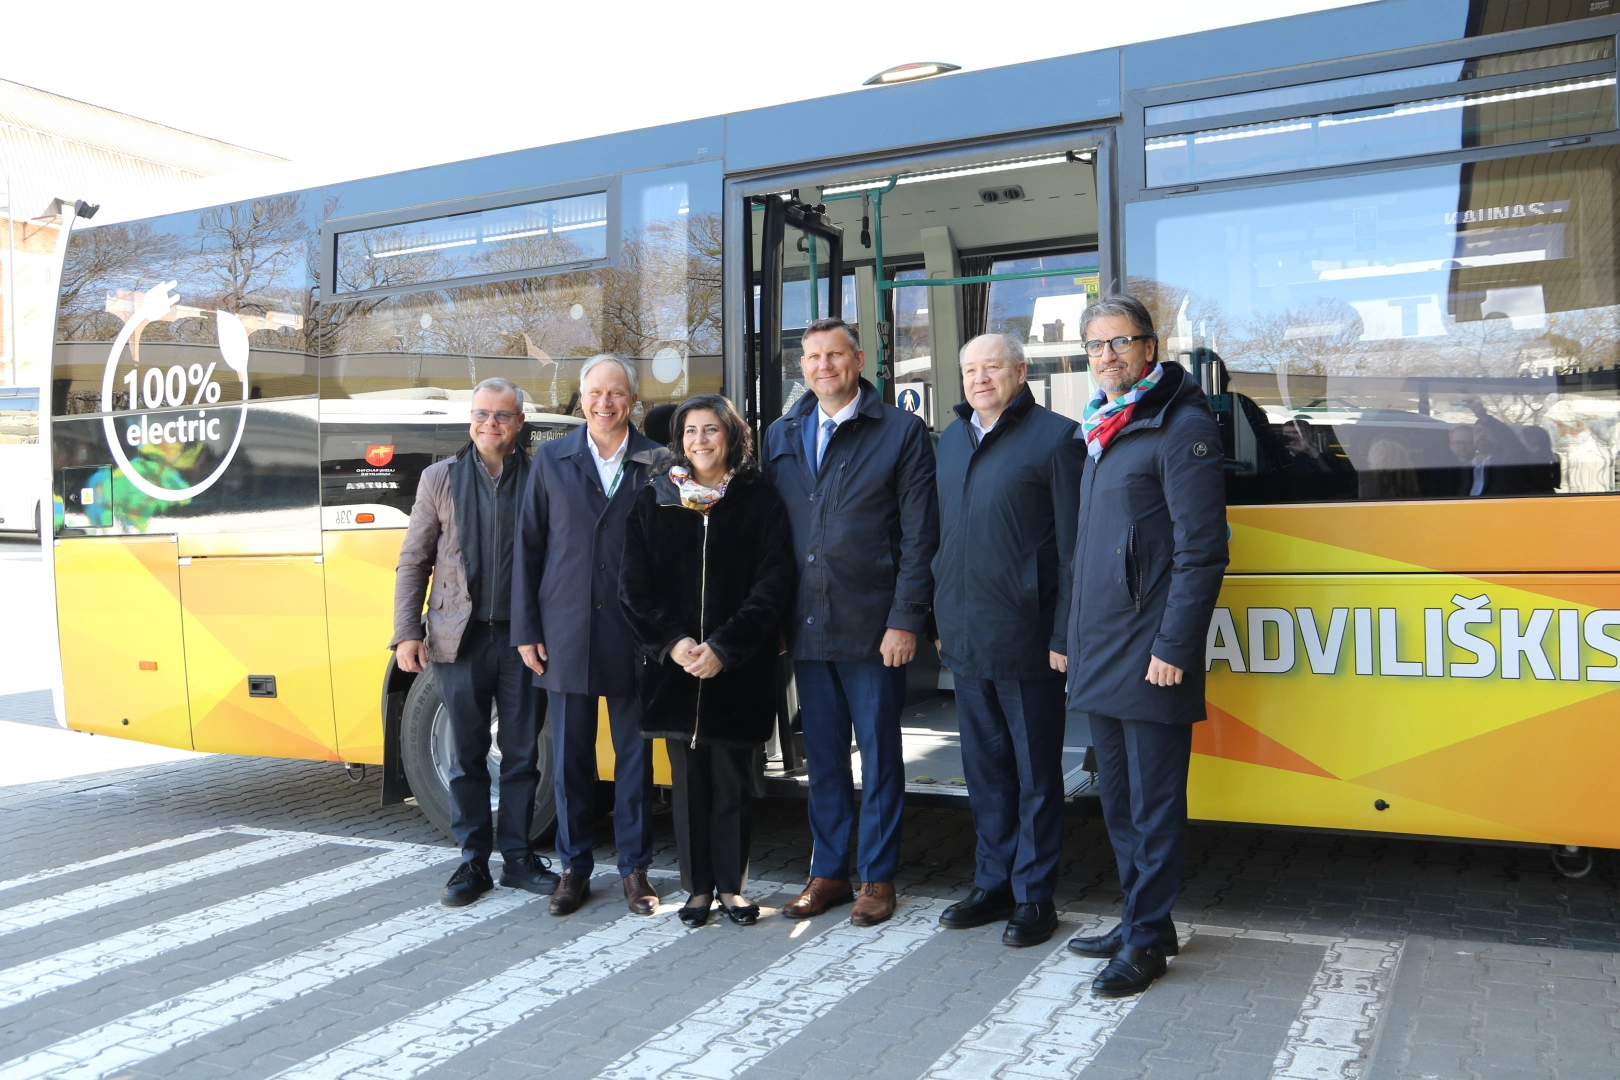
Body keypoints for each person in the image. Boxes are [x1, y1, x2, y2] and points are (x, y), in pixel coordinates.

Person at [1064, 296, 1228, 997]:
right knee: (1119, 801)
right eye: (1095, 345)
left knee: (1154, 805)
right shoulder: (1106, 428)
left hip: (1151, 653)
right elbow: (1092, 553)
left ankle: (1148, 939)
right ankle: (1140, 920)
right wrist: (1068, 640)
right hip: (1101, 647)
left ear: (1149, 348)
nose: (1107, 356)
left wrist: (1174, 646)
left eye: (1120, 342)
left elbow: (1204, 552)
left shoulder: (1179, 427)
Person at [764, 316, 939, 928]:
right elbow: (772, 537)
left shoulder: (900, 432)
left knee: (881, 757)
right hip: (806, 624)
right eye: (813, 357)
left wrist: (905, 618)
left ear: (858, 361)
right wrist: (773, 617)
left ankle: (878, 877)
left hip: (873, 627)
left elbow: (920, 536)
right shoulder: (783, 432)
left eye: (834, 355)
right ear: (802, 367)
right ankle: (829, 873)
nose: (824, 366)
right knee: (824, 758)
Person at [619, 394, 795, 928]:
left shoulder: (759, 498)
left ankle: (733, 890)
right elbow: (633, 589)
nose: (700, 440)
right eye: (691, 431)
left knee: (732, 784)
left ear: (731, 436)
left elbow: (773, 585)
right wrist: (673, 643)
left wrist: (723, 648)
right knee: (689, 786)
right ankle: (697, 889)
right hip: (674, 673)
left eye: (711, 429)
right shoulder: (655, 499)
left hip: (735, 672)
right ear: (680, 440)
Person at [931, 334, 1084, 947]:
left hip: (1029, 639)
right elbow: (941, 537)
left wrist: (1063, 633)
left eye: (992, 367)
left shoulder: (1058, 438)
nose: (980, 378)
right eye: (970, 369)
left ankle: (1035, 896)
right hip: (966, 637)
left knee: (1036, 775)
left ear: (1020, 372)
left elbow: (1074, 549)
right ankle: (992, 883)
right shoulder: (951, 440)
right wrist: (939, 619)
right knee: (985, 771)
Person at [391, 377, 560, 907]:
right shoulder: (439, 478)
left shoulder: (541, 476)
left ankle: (518, 858)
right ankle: (472, 862)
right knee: (465, 755)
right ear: (470, 419)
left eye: (502, 415)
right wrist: (406, 631)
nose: (490, 423)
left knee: (521, 754)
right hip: (456, 639)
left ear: (519, 423)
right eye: (482, 414)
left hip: (522, 640)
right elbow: (414, 559)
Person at [512, 354, 668, 917]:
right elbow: (528, 548)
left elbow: (671, 553)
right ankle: (573, 868)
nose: (605, 403)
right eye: (595, 393)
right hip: (566, 633)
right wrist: (526, 629)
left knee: (634, 761)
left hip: (635, 635)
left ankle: (635, 870)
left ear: (633, 400)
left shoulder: (659, 462)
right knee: (571, 761)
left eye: (616, 393)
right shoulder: (551, 460)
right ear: (581, 399)